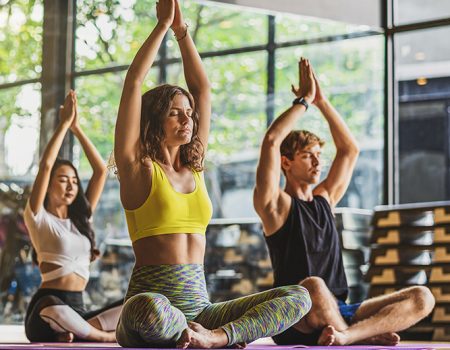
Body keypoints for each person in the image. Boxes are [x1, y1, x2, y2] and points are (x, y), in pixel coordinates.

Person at [113, 0, 312, 348]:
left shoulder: (194, 167)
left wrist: (182, 31)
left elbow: (203, 90)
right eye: (176, 113)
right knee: (150, 309)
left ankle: (215, 337)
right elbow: (133, 83)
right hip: (152, 308)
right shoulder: (137, 168)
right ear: (154, 119)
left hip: (200, 310)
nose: (188, 120)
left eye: (189, 113)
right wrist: (162, 27)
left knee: (300, 296)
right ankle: (191, 336)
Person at [253, 57, 435, 346]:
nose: (317, 162)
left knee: (422, 297)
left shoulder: (325, 199)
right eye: (307, 156)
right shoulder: (276, 206)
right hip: (296, 316)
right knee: (312, 286)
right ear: (285, 163)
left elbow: (350, 149)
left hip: (338, 310)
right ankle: (357, 336)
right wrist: (304, 102)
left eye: (319, 155)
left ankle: (349, 336)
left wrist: (322, 100)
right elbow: (272, 141)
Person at [24, 90, 122, 342]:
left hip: (81, 312)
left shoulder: (82, 219)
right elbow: (46, 165)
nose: (70, 186)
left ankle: (79, 332)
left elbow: (101, 170)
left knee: (136, 301)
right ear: (48, 185)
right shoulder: (38, 217)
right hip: (46, 311)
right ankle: (102, 337)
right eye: (62, 180)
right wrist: (64, 125)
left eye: (74, 182)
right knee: (52, 305)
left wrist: (77, 128)